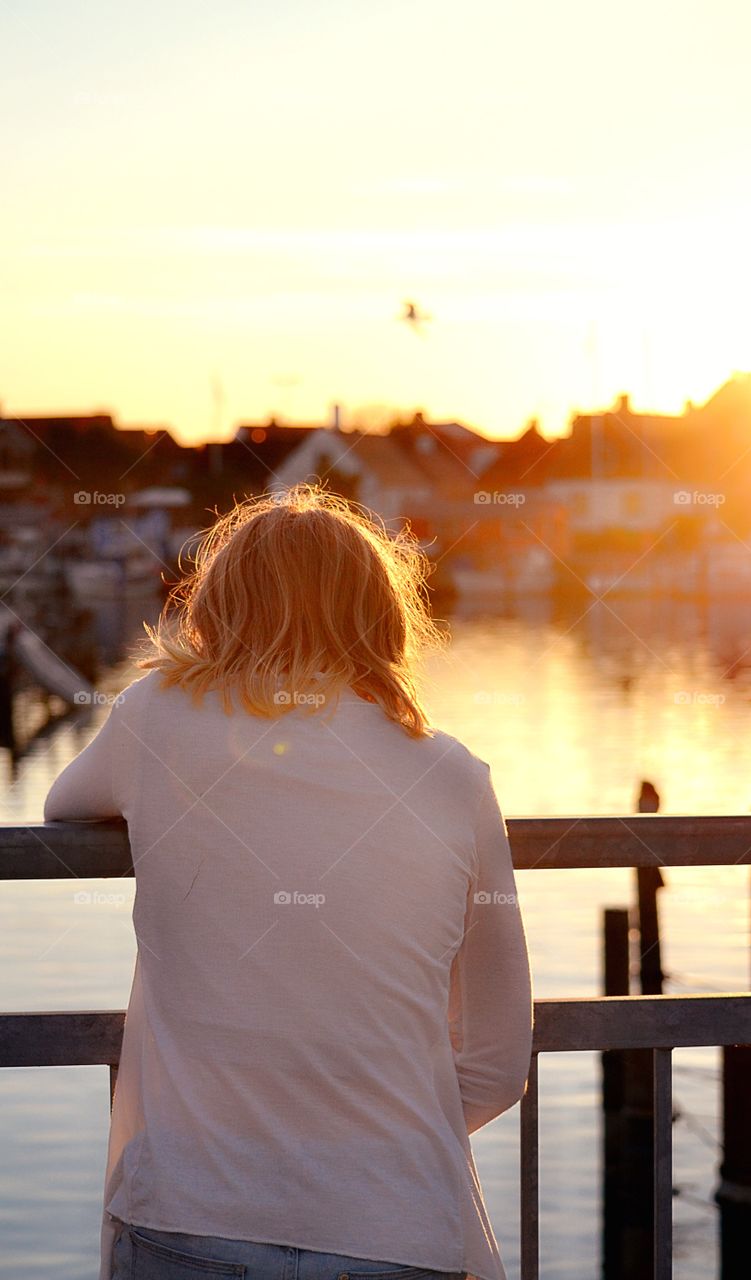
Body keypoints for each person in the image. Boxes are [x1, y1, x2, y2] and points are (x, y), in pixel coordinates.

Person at [44, 485, 533, 1280]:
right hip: (396, 1227)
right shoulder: (454, 777)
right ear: (382, 616)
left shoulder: (155, 719)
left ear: (219, 605)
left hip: (190, 1216)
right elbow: (498, 1061)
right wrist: (369, 1148)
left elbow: (62, 804)